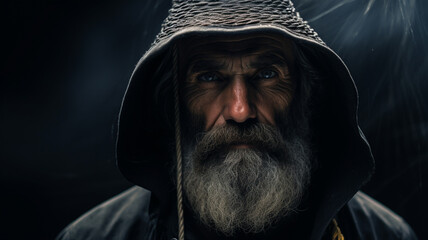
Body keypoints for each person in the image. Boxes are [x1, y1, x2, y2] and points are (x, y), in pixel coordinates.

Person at [57, 0, 417, 239]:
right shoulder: (96, 235)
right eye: (210, 78)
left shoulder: (379, 234)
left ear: (306, 95)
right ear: (172, 102)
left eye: (266, 74)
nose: (240, 110)